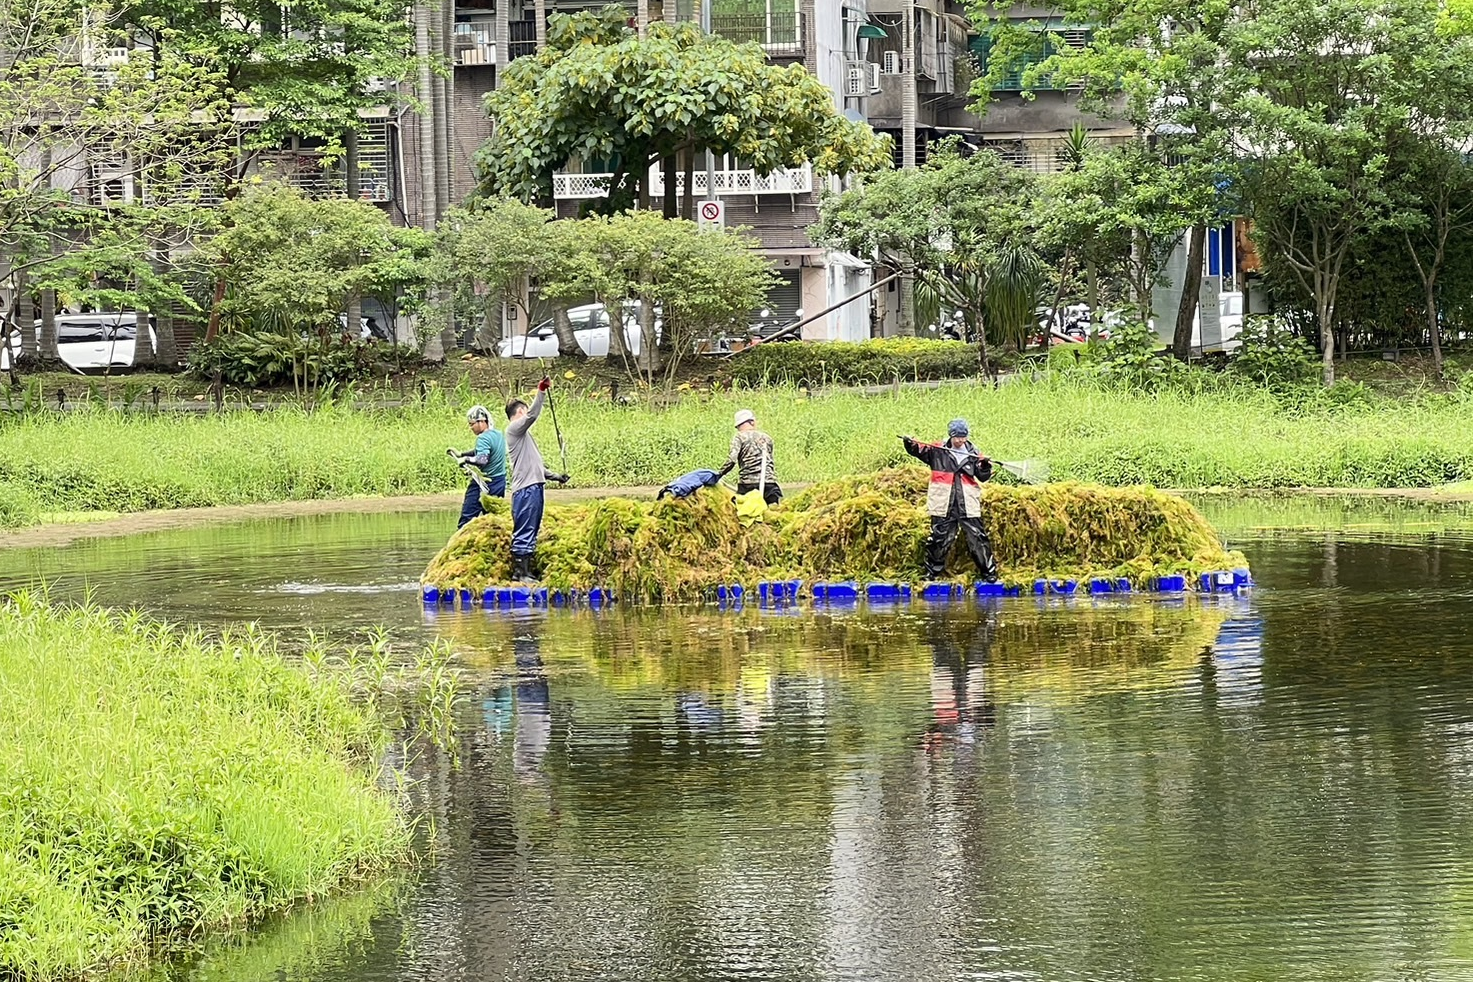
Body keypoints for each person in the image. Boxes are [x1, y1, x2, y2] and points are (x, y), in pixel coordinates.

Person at [900, 419, 1000, 582]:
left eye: (964, 437)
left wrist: (985, 465)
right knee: (939, 538)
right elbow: (918, 450)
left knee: (977, 537)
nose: (961, 440)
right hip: (943, 500)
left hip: (966, 501)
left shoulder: (974, 452)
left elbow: (983, 477)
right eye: (958, 437)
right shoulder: (937, 449)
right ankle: (931, 573)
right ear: (951, 436)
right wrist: (909, 442)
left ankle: (989, 572)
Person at [505, 377, 570, 582]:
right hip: (526, 489)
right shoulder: (514, 429)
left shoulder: (524, 437)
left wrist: (556, 477)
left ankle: (526, 571)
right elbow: (532, 415)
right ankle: (520, 572)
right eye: (525, 411)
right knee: (525, 528)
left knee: (532, 527)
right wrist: (541, 391)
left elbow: (537, 466)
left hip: (534, 487)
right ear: (520, 412)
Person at [448, 405, 506, 529]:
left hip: (484, 483)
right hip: (500, 482)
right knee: (493, 520)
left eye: (472, 424)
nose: (471, 428)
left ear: (481, 421)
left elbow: (482, 459)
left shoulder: (483, 438)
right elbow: (482, 451)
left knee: (467, 518)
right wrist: (461, 454)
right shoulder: (498, 435)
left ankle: (462, 537)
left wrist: (466, 460)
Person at [716, 409, 781, 506]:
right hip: (769, 484)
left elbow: (732, 460)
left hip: (747, 485)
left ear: (738, 426)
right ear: (752, 422)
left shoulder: (739, 437)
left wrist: (719, 475)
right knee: (773, 511)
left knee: (743, 512)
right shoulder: (767, 438)